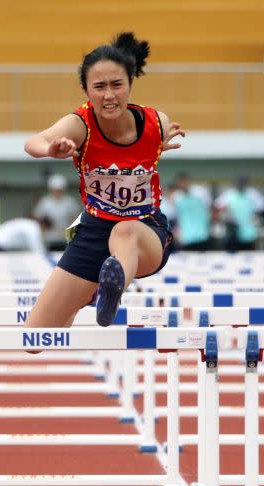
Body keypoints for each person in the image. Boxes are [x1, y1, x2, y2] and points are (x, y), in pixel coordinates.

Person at [22, 32, 184, 328]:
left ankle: (110, 291)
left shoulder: (155, 122)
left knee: (124, 232)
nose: (109, 96)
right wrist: (50, 149)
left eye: (117, 85)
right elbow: (33, 141)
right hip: (95, 231)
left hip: (145, 231)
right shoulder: (79, 124)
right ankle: (90, 293)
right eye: (99, 87)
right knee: (36, 334)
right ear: (86, 90)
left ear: (131, 83)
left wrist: (158, 144)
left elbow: (147, 150)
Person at [215, 174, 264, 252]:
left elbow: (263, 207)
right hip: (233, 234)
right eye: (238, 182)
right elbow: (218, 207)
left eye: (242, 182)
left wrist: (256, 216)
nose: (240, 184)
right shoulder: (229, 194)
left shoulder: (253, 194)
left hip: (249, 234)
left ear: (246, 183)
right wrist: (226, 215)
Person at [33, 174, 82, 251]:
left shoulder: (70, 202)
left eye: (59, 190)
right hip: (48, 237)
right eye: (55, 190)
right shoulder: (45, 202)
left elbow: (76, 218)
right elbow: (38, 218)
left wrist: (69, 230)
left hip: (65, 237)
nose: (57, 192)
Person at [171, 174, 212, 251]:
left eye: (185, 181)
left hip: (202, 236)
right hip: (186, 238)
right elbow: (175, 217)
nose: (183, 184)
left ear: (189, 181)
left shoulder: (201, 192)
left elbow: (209, 209)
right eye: (181, 182)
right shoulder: (175, 197)